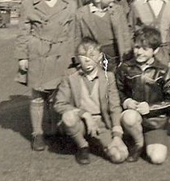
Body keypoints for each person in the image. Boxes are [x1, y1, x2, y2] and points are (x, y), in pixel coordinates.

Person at [14, 0, 77, 151]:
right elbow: (23, 32)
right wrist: (22, 57)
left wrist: (74, 58)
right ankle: (37, 133)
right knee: (37, 95)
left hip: (61, 53)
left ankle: (56, 130)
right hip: (37, 53)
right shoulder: (28, 4)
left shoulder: (69, 5)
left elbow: (74, 34)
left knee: (59, 95)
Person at [54, 37, 128, 165]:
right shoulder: (70, 76)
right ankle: (82, 146)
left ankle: (97, 141)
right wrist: (84, 114)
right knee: (68, 117)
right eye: (83, 56)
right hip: (80, 122)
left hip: (101, 122)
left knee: (120, 156)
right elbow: (59, 104)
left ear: (100, 57)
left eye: (92, 55)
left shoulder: (108, 77)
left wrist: (117, 135)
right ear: (77, 57)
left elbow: (115, 107)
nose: (87, 60)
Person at [116, 26, 170, 164]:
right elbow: (117, 90)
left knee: (157, 158)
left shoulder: (164, 71)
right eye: (137, 47)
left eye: (145, 49)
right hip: (133, 117)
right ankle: (138, 144)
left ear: (155, 50)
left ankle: (150, 139)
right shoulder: (125, 67)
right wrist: (126, 101)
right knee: (129, 117)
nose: (139, 52)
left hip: (155, 121)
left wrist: (151, 108)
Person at [74, 0, 132, 72]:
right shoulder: (81, 14)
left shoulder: (117, 10)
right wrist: (79, 61)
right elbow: (77, 39)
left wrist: (127, 57)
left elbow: (125, 35)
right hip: (95, 56)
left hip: (116, 54)